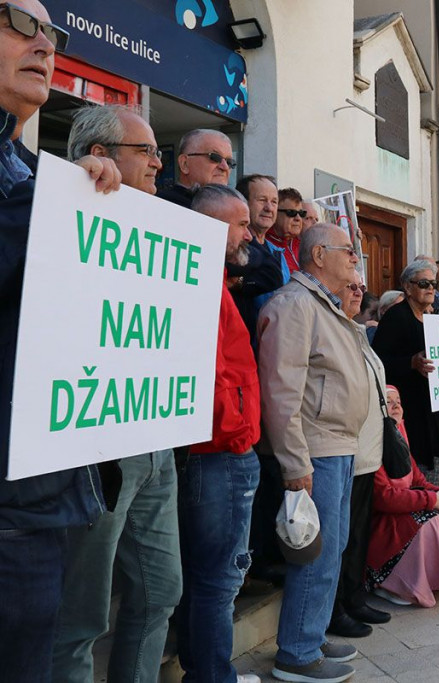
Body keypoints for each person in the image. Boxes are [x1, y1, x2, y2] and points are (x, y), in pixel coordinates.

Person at [1, 4, 122, 679]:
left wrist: (84, 203)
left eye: (52, 32)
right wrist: (50, 207)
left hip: (43, 491)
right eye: (19, 21)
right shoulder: (31, 186)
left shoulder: (27, 167)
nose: (43, 42)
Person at [53, 105, 182, 683]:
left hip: (154, 438)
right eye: (146, 151)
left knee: (162, 591)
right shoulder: (58, 214)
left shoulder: (160, 232)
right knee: (78, 619)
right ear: (99, 157)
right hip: (93, 447)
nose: (160, 163)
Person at [258, 223, 368, 682]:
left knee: (332, 549)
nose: (356, 261)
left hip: (338, 447)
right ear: (319, 254)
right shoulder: (295, 305)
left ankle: (313, 633)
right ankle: (298, 654)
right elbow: (281, 392)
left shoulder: (325, 304)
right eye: (348, 252)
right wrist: (295, 463)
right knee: (314, 554)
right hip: (316, 450)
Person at [178, 185, 262, 683]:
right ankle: (212, 676)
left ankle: (203, 671)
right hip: (221, 452)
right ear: (211, 227)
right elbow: (207, 373)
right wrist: (237, 427)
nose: (250, 234)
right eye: (241, 224)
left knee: (206, 577)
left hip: (217, 449)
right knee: (220, 578)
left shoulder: (217, 283)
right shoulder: (200, 287)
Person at [366, 388, 439, 608]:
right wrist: (431, 500)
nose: (395, 406)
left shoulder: (398, 438)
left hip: (401, 508)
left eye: (399, 401)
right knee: (428, 521)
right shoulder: (373, 447)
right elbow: (384, 498)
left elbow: (418, 481)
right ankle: (389, 583)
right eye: (389, 402)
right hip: (381, 521)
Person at [329, 271, 392, 639]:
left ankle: (353, 597)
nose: (358, 293)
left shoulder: (359, 333)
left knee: (357, 534)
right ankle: (335, 606)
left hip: (368, 452)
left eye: (361, 288)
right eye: (351, 287)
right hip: (344, 450)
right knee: (341, 536)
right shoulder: (336, 331)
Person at [372, 260, 439, 475]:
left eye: (433, 283)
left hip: (435, 407)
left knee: (435, 468)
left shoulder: (435, 318)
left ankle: (434, 505)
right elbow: (378, 361)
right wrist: (410, 363)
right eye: (424, 283)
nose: (431, 288)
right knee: (415, 467)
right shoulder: (396, 317)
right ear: (408, 287)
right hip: (409, 408)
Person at [232, 173, 289, 348]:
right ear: (244, 203)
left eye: (274, 202)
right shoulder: (233, 248)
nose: (269, 208)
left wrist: (240, 283)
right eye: (262, 200)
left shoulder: (278, 253)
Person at [156, 128, 234, 207]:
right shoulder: (165, 204)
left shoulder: (229, 207)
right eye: (215, 157)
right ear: (184, 163)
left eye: (229, 162)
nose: (225, 167)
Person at [266, 187, 305, 273]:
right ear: (275, 213)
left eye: (301, 213)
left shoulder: (303, 246)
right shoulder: (264, 245)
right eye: (291, 212)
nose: (298, 218)